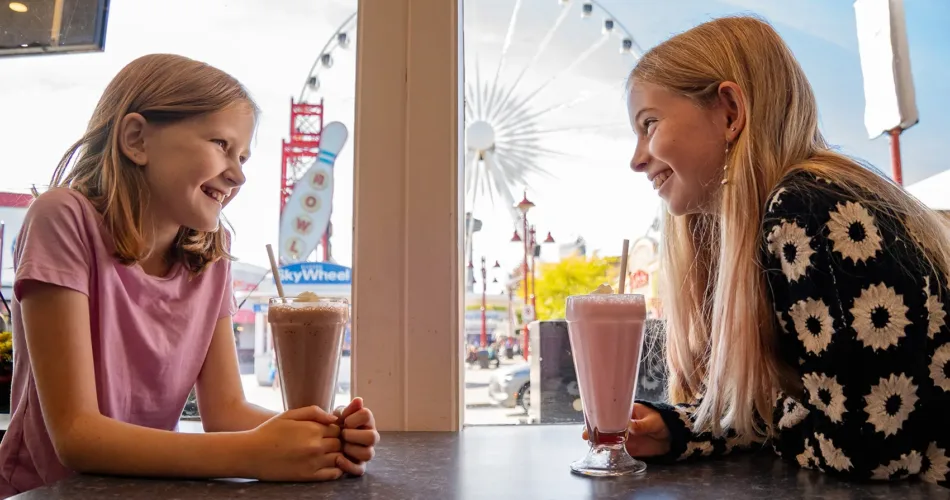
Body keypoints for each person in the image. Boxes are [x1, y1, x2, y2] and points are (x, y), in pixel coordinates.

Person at [0, 54, 379, 496]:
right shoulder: (63, 219)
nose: (238, 174)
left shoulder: (212, 258)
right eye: (221, 144)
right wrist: (257, 454)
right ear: (136, 139)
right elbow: (77, 437)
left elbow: (226, 412)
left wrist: (325, 437)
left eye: (242, 156)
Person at [605, 16, 949, 486]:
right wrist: (684, 430)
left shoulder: (807, 207)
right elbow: (823, 417)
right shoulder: (799, 206)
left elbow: (866, 451)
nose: (636, 158)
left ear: (729, 111)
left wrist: (750, 418)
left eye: (649, 124)